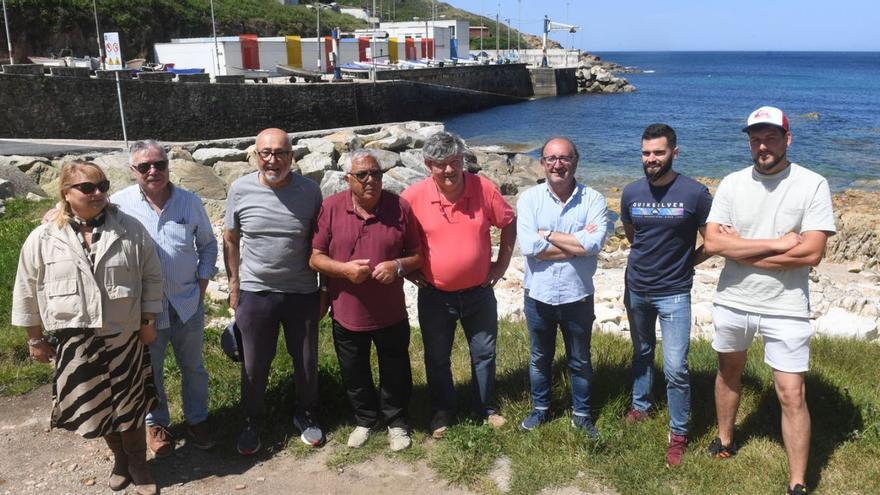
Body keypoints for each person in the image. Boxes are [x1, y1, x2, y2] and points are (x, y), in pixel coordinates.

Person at [703, 106, 836, 495]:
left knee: (791, 392)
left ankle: (797, 482)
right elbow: (712, 242)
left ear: (787, 140)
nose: (763, 145)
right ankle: (726, 439)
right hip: (734, 298)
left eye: (771, 137)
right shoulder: (731, 183)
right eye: (756, 138)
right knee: (728, 371)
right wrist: (779, 244)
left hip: (787, 304)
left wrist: (739, 249)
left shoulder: (812, 184)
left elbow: (811, 253)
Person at [12, 161, 164, 495]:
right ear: (65, 193)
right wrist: (34, 338)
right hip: (75, 339)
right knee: (97, 406)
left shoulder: (130, 229)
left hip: (124, 335)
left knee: (131, 404)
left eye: (103, 186)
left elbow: (152, 277)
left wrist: (149, 320)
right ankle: (119, 460)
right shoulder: (43, 237)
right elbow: (26, 289)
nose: (98, 193)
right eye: (87, 187)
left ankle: (139, 463)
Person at [400, 131, 516, 438]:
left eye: (455, 162)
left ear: (463, 160)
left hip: (479, 293)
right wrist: (409, 273)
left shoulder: (483, 188)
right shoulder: (412, 197)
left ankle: (486, 408)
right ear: (428, 165)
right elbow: (395, 238)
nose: (449, 170)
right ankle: (443, 410)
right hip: (435, 296)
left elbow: (508, 222)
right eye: (441, 164)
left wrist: (501, 265)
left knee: (484, 353)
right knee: (437, 356)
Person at [309, 150, 422, 451]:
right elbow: (315, 257)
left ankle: (397, 422)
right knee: (354, 371)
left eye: (376, 173)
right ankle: (365, 420)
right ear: (348, 179)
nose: (371, 180)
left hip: (391, 312)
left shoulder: (400, 207)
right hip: (347, 312)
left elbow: (417, 255)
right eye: (362, 175)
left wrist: (397, 266)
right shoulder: (331, 208)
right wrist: (344, 271)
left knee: (395, 369)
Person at [112, 140, 218, 456]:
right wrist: (55, 213)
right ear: (133, 171)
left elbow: (208, 245)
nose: (153, 171)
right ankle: (156, 423)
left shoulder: (189, 202)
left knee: (194, 368)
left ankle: (197, 419)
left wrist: (201, 285)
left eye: (159, 164)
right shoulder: (118, 205)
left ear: (168, 165)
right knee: (151, 371)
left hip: (187, 303)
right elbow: (85, 215)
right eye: (144, 166)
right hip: (144, 310)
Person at [223, 128, 324, 455]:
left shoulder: (311, 192)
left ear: (291, 156)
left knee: (306, 361)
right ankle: (253, 420)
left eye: (280, 152)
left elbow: (322, 243)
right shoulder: (239, 189)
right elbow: (230, 239)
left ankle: (306, 413)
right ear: (255, 155)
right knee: (254, 363)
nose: (273, 159)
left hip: (302, 291)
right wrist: (234, 285)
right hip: (256, 291)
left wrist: (325, 290)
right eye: (265, 153)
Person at [620, 124, 713, 465]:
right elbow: (634, 236)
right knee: (642, 351)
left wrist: (689, 261)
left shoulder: (695, 193)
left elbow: (713, 240)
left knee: (676, 367)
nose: (651, 159)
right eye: (646, 153)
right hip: (637, 288)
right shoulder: (630, 192)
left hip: (674, 292)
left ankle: (679, 432)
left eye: (658, 152)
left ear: (675, 152)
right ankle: (641, 406)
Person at [515, 137, 607, 438]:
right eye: (551, 159)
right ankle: (540, 409)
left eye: (564, 158)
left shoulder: (593, 199)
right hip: (538, 295)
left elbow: (594, 244)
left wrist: (549, 234)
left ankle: (582, 414)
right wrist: (576, 245)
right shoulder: (529, 199)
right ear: (542, 163)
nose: (558, 165)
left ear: (575, 161)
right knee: (539, 358)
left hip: (577, 294)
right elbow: (530, 246)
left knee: (580, 359)